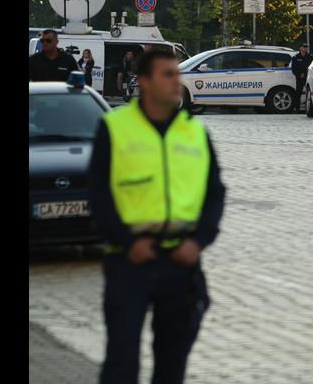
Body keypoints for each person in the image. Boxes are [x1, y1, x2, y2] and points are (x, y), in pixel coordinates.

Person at [88, 49, 226, 384]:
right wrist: (126, 240)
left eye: (177, 74)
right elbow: (99, 194)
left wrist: (199, 241)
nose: (176, 82)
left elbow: (215, 193)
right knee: (122, 358)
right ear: (144, 82)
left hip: (180, 263)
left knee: (172, 361)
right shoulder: (114, 127)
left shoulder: (195, 133)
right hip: (129, 261)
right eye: (167, 75)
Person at [291, 43, 313, 112]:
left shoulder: (309, 57)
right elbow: (294, 68)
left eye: (306, 47)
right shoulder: (296, 57)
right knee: (298, 93)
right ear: (300, 48)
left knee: (309, 93)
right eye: (303, 47)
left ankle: (310, 108)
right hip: (300, 78)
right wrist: (299, 74)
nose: (305, 48)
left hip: (308, 77)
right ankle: (297, 108)